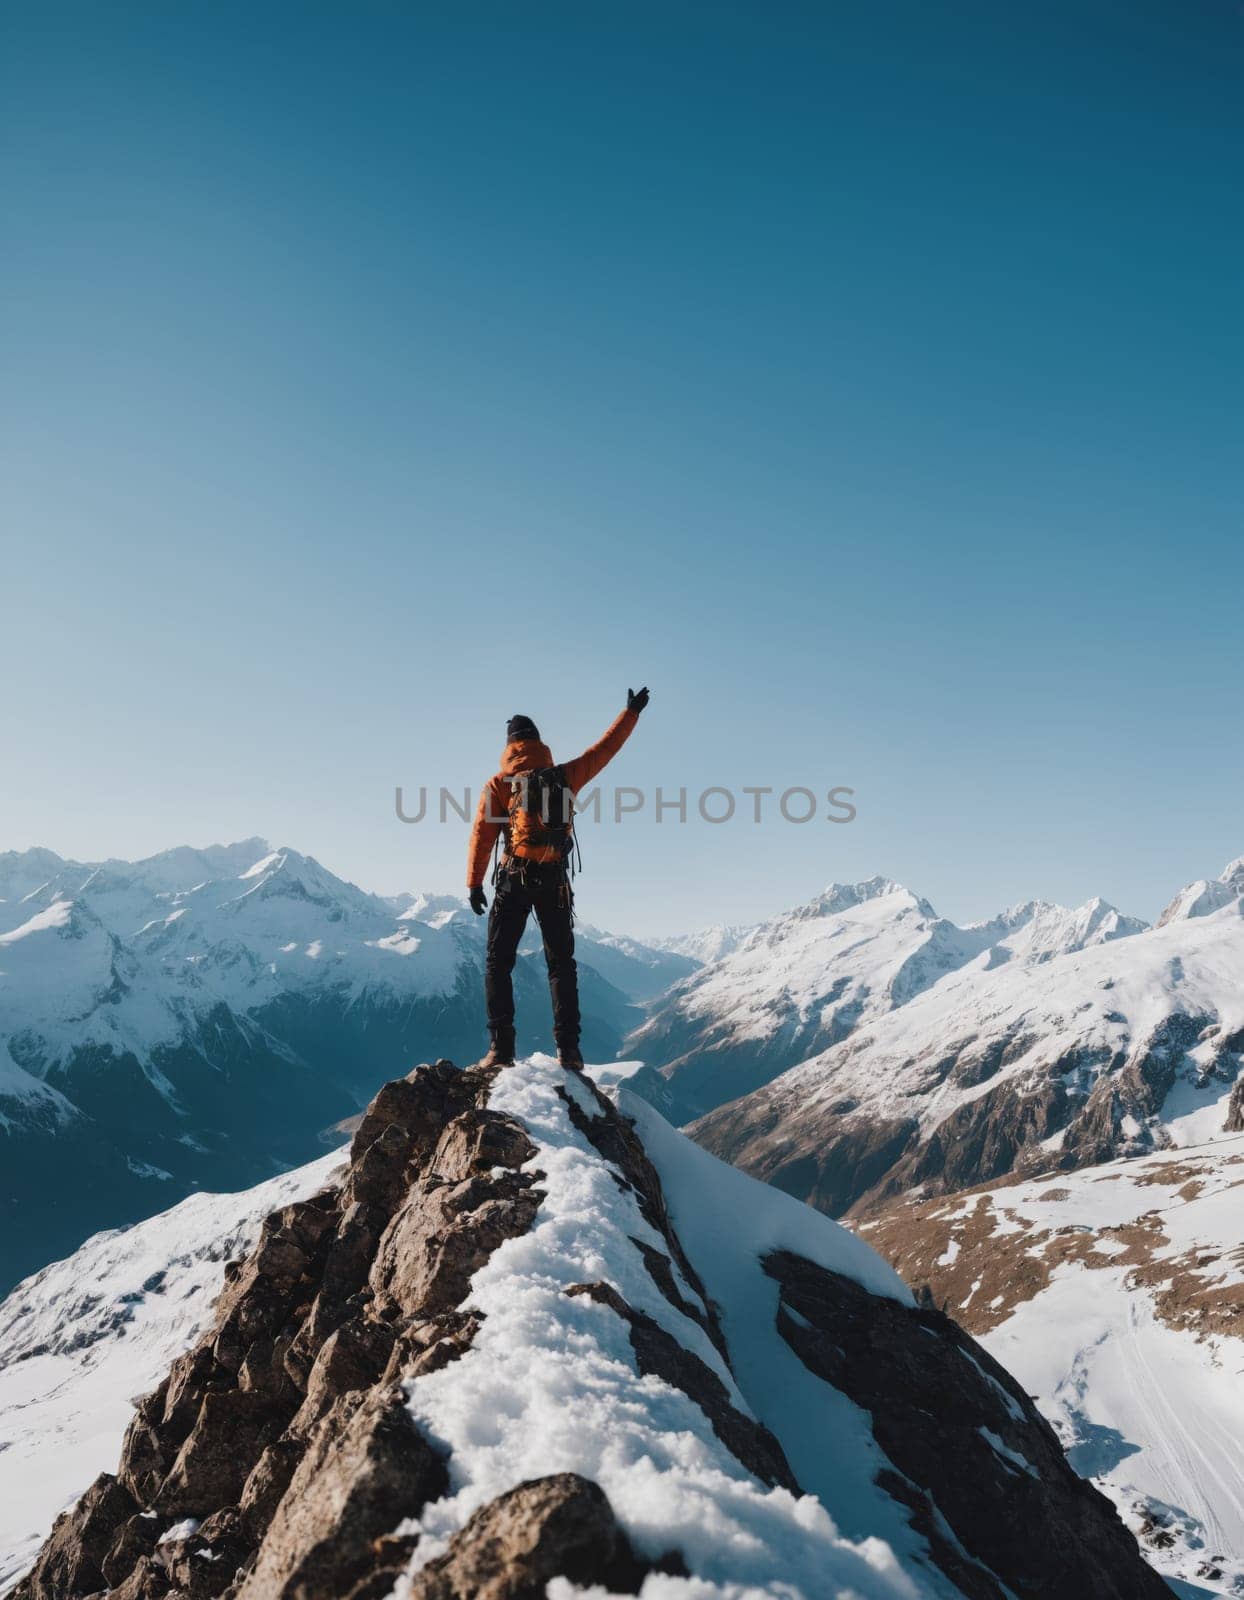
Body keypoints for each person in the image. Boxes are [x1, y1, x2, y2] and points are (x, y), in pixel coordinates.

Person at [466, 687, 650, 1070]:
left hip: (513, 879)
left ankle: (500, 1050)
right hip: (554, 881)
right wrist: (630, 712)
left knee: (498, 964)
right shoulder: (565, 775)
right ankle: (569, 1051)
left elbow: (482, 836)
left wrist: (474, 884)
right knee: (561, 965)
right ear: (538, 742)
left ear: (509, 746)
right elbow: (605, 750)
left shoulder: (499, 785)